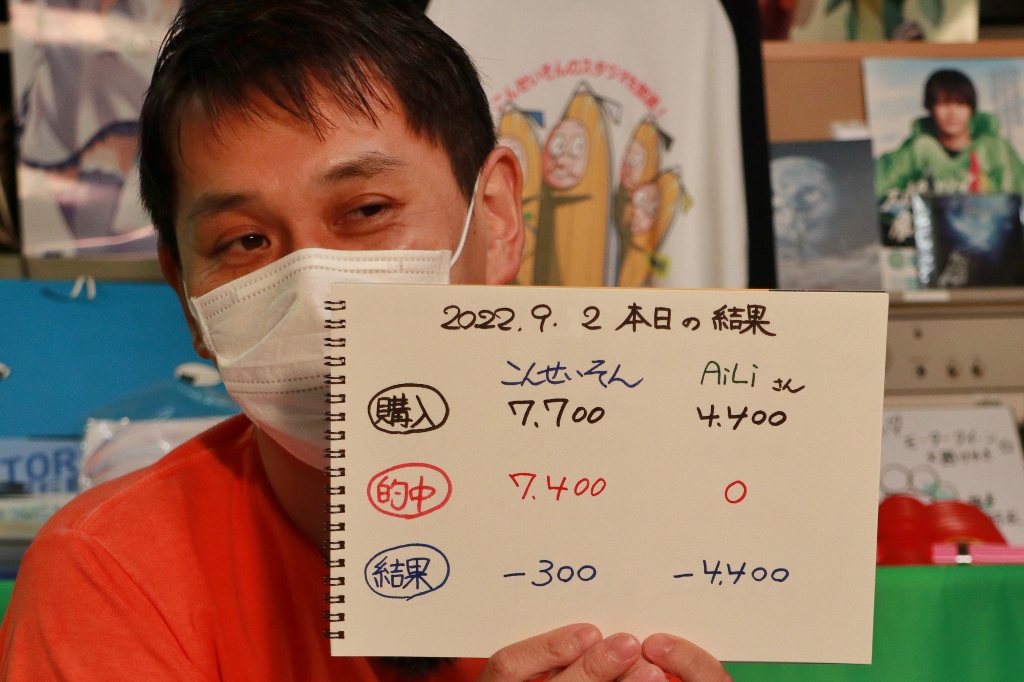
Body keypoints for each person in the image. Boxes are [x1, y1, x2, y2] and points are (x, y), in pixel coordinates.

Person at [0, 2, 732, 681]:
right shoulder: (110, 576)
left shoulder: (686, 545)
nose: (315, 293)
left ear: (498, 216)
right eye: (245, 241)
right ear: (186, 292)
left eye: (367, 209)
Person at [876, 69, 1024, 244]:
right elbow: (879, 193)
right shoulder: (916, 150)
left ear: (971, 108)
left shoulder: (995, 150)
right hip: (929, 245)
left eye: (960, 104)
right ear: (930, 107)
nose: (952, 112)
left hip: (991, 244)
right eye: (943, 103)